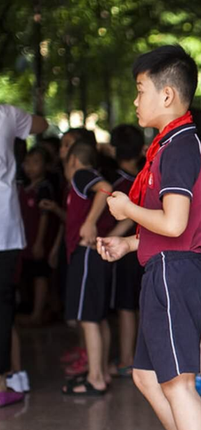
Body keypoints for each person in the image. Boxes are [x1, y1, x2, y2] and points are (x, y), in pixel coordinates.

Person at [96, 45, 201, 430]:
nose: (135, 99)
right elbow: (168, 227)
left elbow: (175, 223)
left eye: (140, 89)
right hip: (167, 268)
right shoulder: (169, 143)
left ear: (166, 94)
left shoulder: (179, 146)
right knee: (146, 376)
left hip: (174, 273)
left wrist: (127, 211)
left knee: (178, 384)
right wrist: (129, 243)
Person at [0, 105, 47, 407]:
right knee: (3, 308)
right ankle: (1, 383)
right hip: (4, 228)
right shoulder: (6, 115)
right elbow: (41, 125)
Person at [60, 142, 115, 395]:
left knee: (88, 319)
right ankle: (100, 371)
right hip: (94, 255)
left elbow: (105, 188)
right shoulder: (82, 180)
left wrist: (90, 222)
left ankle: (95, 378)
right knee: (98, 317)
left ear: (73, 160)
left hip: (86, 254)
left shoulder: (81, 175)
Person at [107, 124, 144, 378]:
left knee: (126, 306)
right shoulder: (145, 177)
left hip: (127, 248)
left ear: (113, 150)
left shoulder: (118, 182)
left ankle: (128, 359)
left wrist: (111, 238)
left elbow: (129, 217)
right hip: (147, 246)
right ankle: (142, 357)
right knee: (141, 304)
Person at [17, 146, 57, 326]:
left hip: (37, 240)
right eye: (27, 162)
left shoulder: (44, 188)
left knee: (40, 275)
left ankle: (38, 313)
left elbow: (44, 217)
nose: (30, 167)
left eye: (36, 163)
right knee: (28, 274)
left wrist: (40, 242)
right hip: (24, 239)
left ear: (45, 166)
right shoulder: (22, 187)